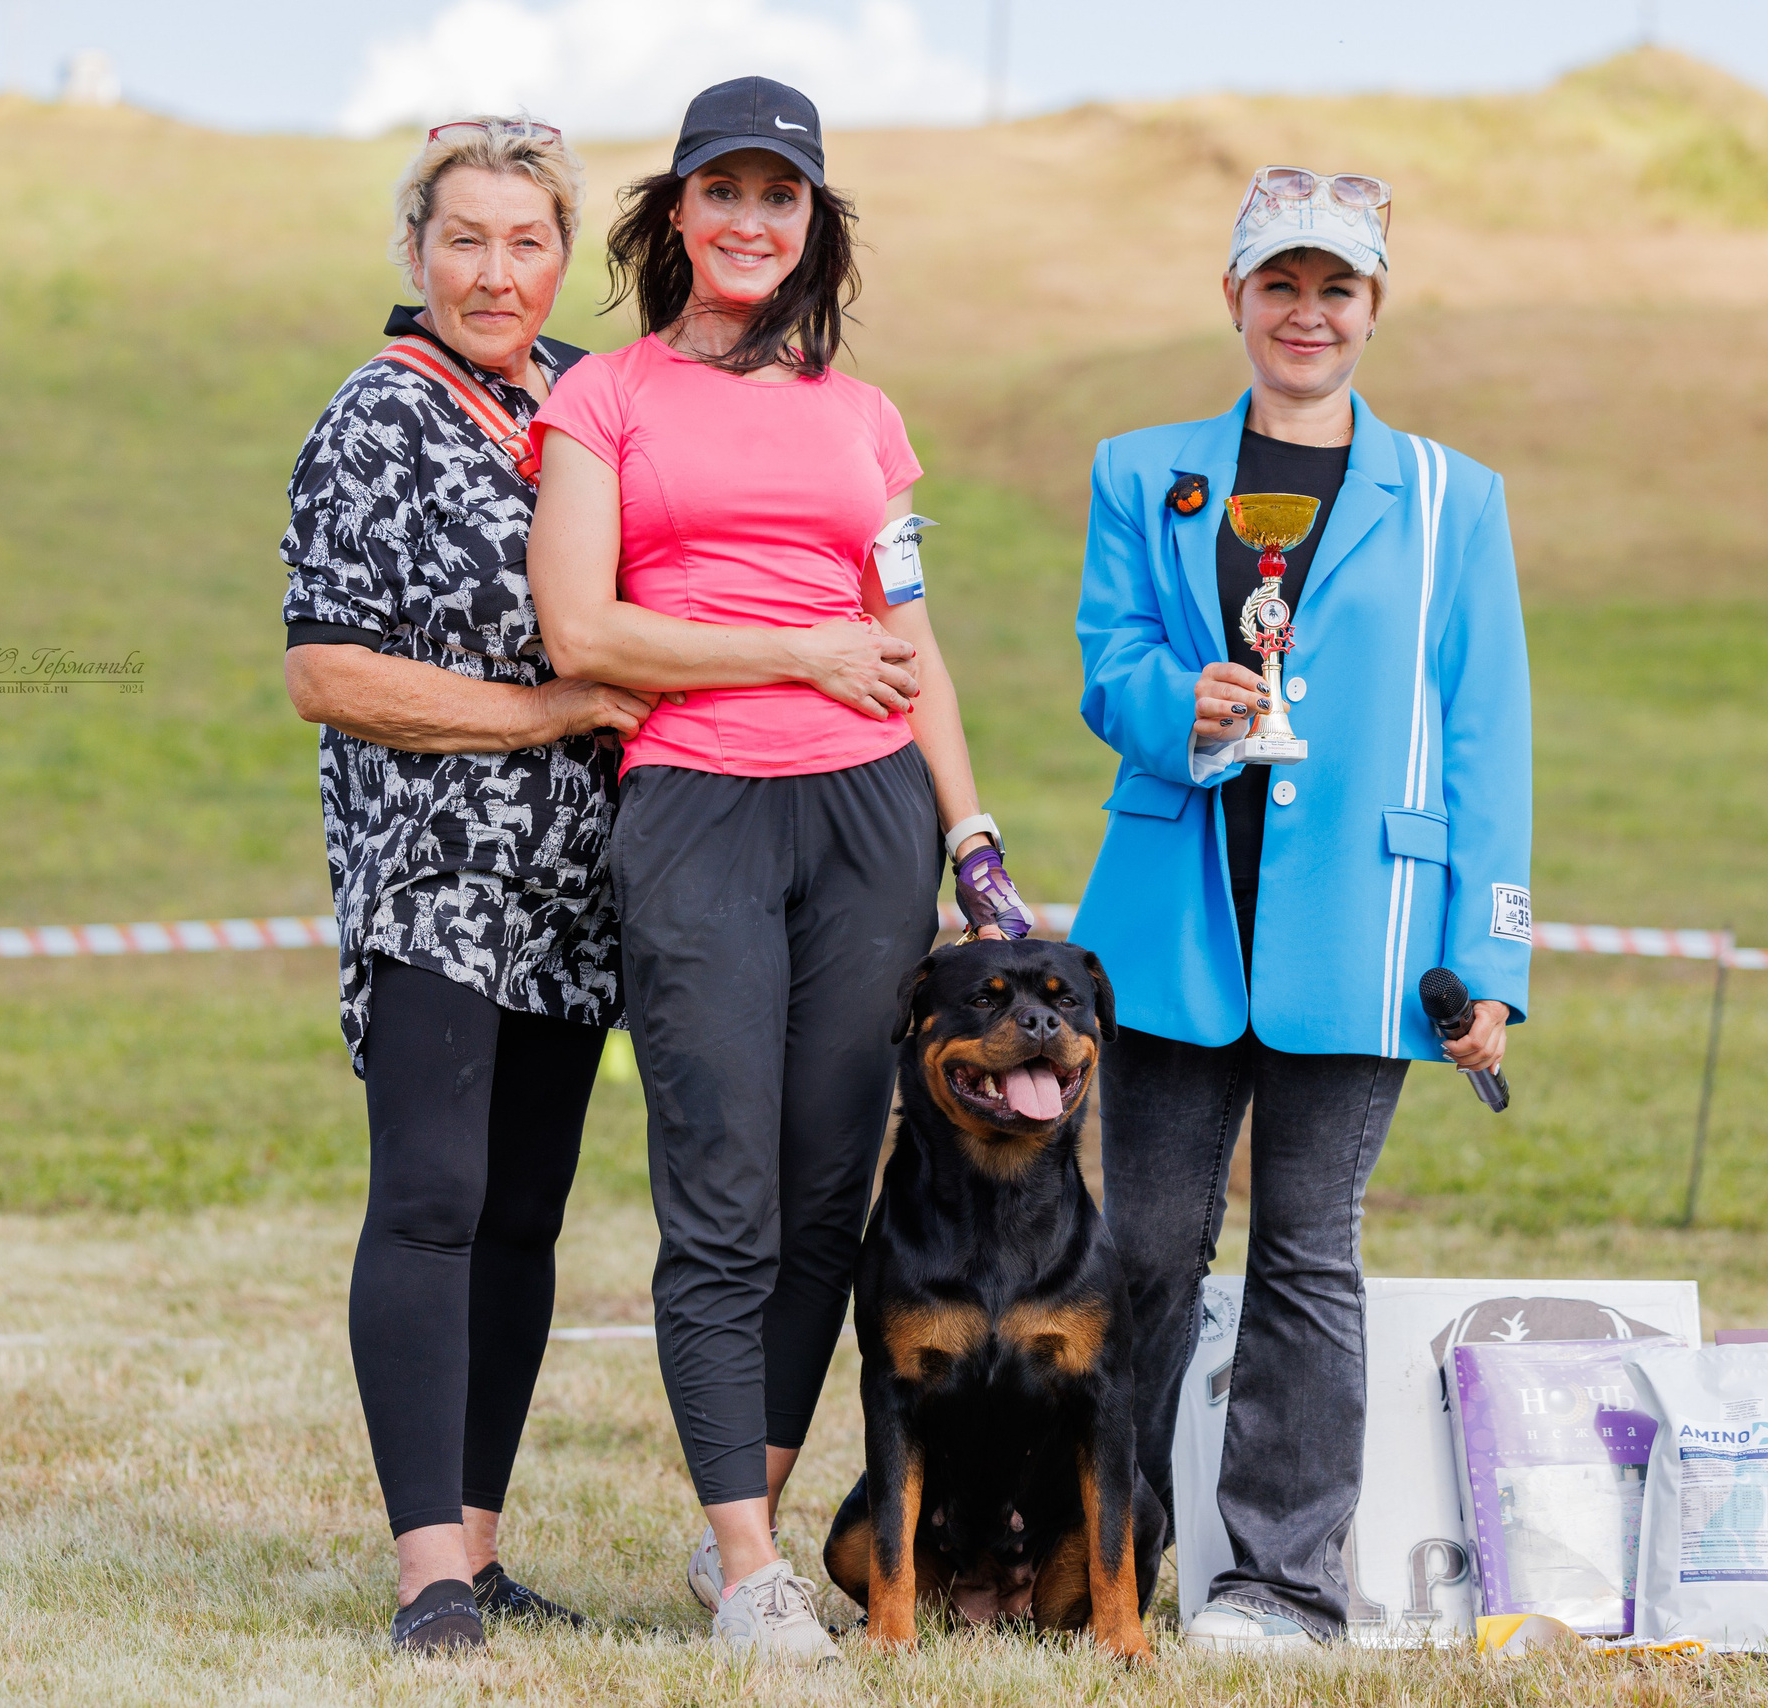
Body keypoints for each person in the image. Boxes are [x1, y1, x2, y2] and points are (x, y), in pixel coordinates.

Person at [527, 77, 1032, 1664]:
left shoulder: (862, 419)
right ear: (673, 213)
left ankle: (728, 1530)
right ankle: (758, 1575)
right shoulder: (602, 398)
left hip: (871, 821)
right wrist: (798, 648)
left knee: (828, 1195)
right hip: (696, 812)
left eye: (782, 197)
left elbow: (912, 648)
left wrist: (972, 839)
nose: (751, 221)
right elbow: (582, 631)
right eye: (722, 192)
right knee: (724, 1189)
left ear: (814, 225)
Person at [1069, 166, 1533, 1653]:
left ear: (1376, 307)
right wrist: (1178, 704)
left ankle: (1281, 1584)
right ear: (1236, 302)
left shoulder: (1461, 498)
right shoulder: (1142, 472)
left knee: (1307, 1252)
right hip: (1169, 925)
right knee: (1140, 1249)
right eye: (1281, 284)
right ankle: (1102, 1564)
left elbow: (1486, 735)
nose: (1308, 313)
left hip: (1368, 937)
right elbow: (1108, 662)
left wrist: (1492, 951)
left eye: (1337, 287)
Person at [280, 117, 653, 1653]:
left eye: (527, 241)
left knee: (522, 1217)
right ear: (415, 251)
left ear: (565, 255)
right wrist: (550, 712)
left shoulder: (592, 406)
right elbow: (326, 672)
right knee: (432, 1202)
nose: (497, 273)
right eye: (464, 239)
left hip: (580, 881)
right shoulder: (378, 417)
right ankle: (425, 1568)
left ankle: (483, 1547)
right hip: (437, 873)